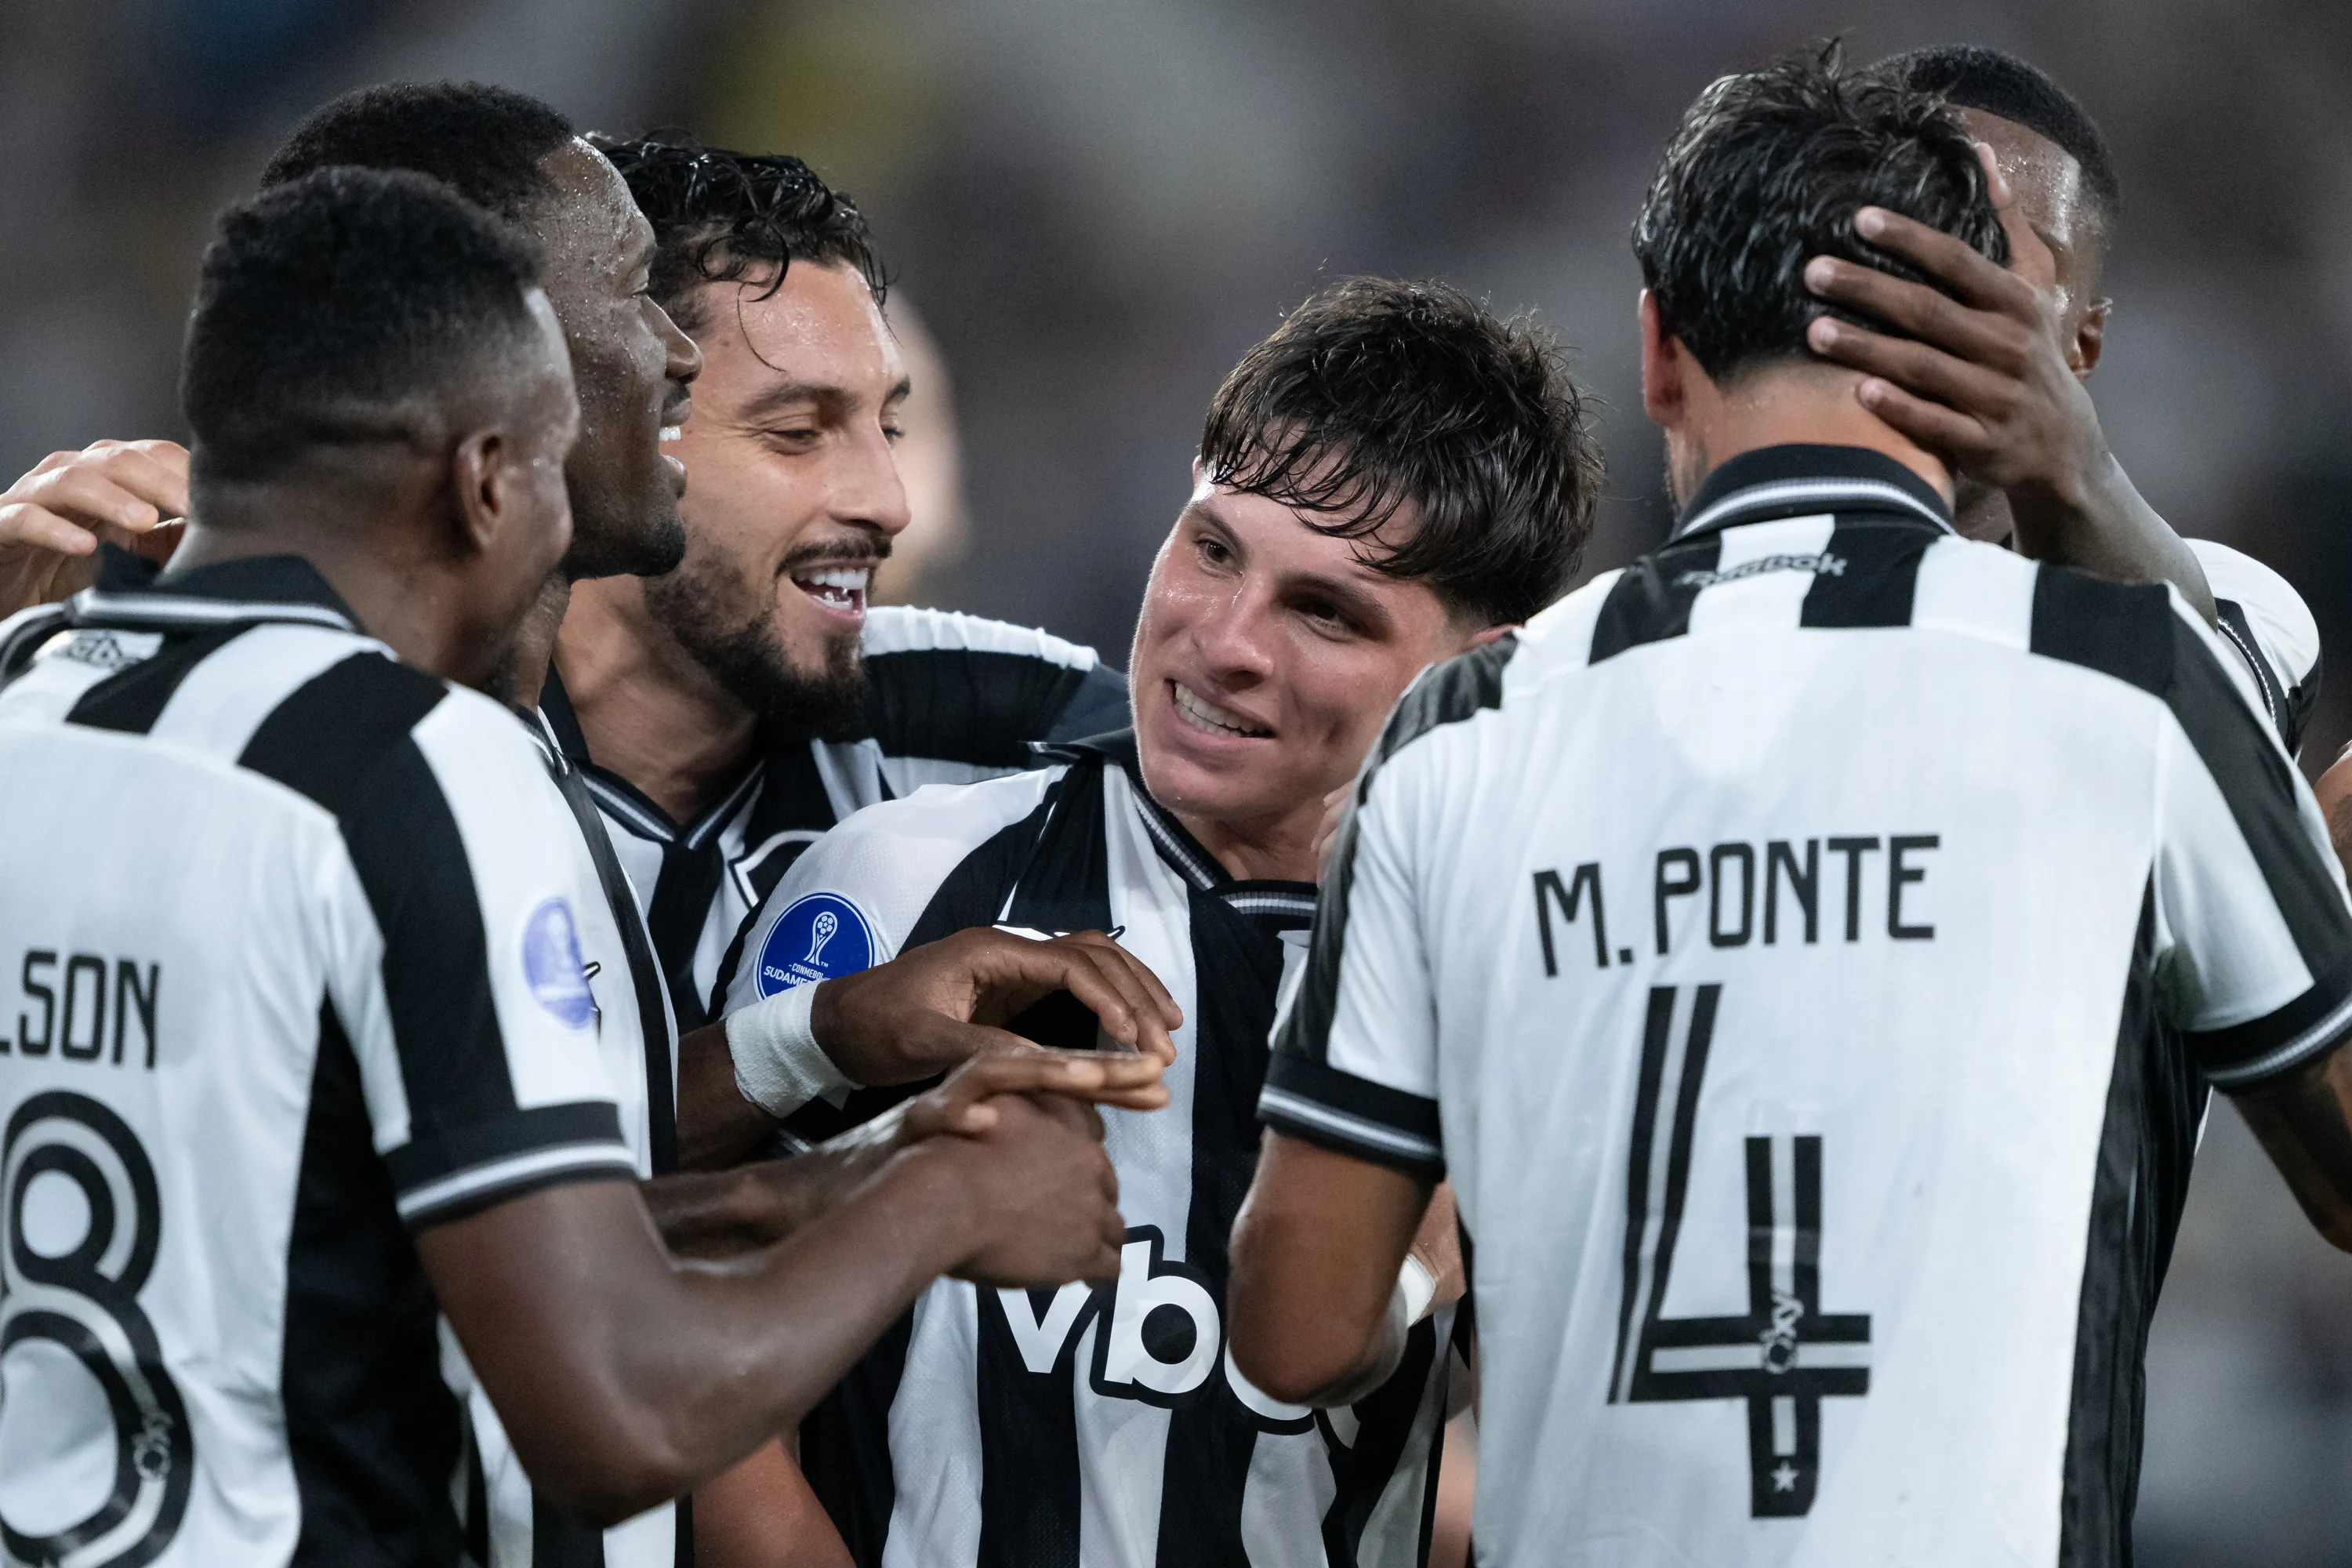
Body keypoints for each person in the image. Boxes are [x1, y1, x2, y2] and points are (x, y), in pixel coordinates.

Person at [1225, 49, 2352, 1567]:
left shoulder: (1467, 731)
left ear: (1655, 347)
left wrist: (1465, 1241)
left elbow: (1294, 1327)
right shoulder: (2146, 677)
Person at [0, 167, 1156, 1568]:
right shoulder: (427, 768)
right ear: (533, 450)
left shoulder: (48, 691)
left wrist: (840, 1106)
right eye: (799, 430)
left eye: (891, 426)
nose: (888, 499)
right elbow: (607, 1399)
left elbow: (442, 1223)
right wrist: (934, 1197)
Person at [693, 276, 1599, 1566]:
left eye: (1323, 611)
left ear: (1470, 675)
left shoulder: (1541, 992)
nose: (1222, 641)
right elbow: (684, 1314)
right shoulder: (913, 882)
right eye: (1213, 547)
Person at [1798, 44, 2321, 756]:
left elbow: (2199, 747)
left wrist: (2067, 467)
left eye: (2007, 254)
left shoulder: (2239, 601)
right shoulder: (1662, 617)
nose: (1954, 286)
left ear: (2085, 342)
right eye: (1912, 228)